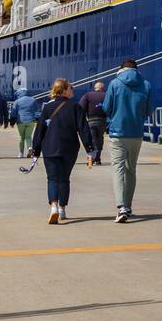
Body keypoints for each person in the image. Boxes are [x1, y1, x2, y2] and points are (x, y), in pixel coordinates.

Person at [30, 77, 95, 224]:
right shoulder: (76, 107)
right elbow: (84, 130)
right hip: (69, 148)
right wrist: (89, 150)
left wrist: (35, 151)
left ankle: (53, 206)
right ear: (64, 90)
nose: (72, 90)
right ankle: (62, 209)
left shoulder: (47, 108)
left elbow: (40, 130)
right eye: (70, 88)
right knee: (64, 179)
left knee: (52, 178)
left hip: (50, 147)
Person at [102, 59, 153, 223]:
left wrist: (113, 116)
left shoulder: (115, 84)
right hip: (136, 133)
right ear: (136, 69)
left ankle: (121, 207)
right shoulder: (146, 85)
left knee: (118, 169)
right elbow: (150, 109)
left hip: (118, 133)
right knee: (131, 169)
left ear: (121, 69)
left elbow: (106, 107)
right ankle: (128, 206)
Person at [79, 81, 108, 167]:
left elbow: (80, 107)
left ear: (95, 88)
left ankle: (91, 160)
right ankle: (97, 160)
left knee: (92, 140)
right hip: (102, 121)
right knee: (99, 139)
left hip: (91, 121)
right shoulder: (106, 95)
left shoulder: (88, 95)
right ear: (102, 88)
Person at [14, 89, 40, 158]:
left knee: (21, 137)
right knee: (28, 136)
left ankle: (21, 153)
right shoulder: (33, 100)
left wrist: (11, 122)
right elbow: (37, 109)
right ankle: (29, 148)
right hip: (31, 121)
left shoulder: (17, 101)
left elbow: (13, 113)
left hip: (21, 121)